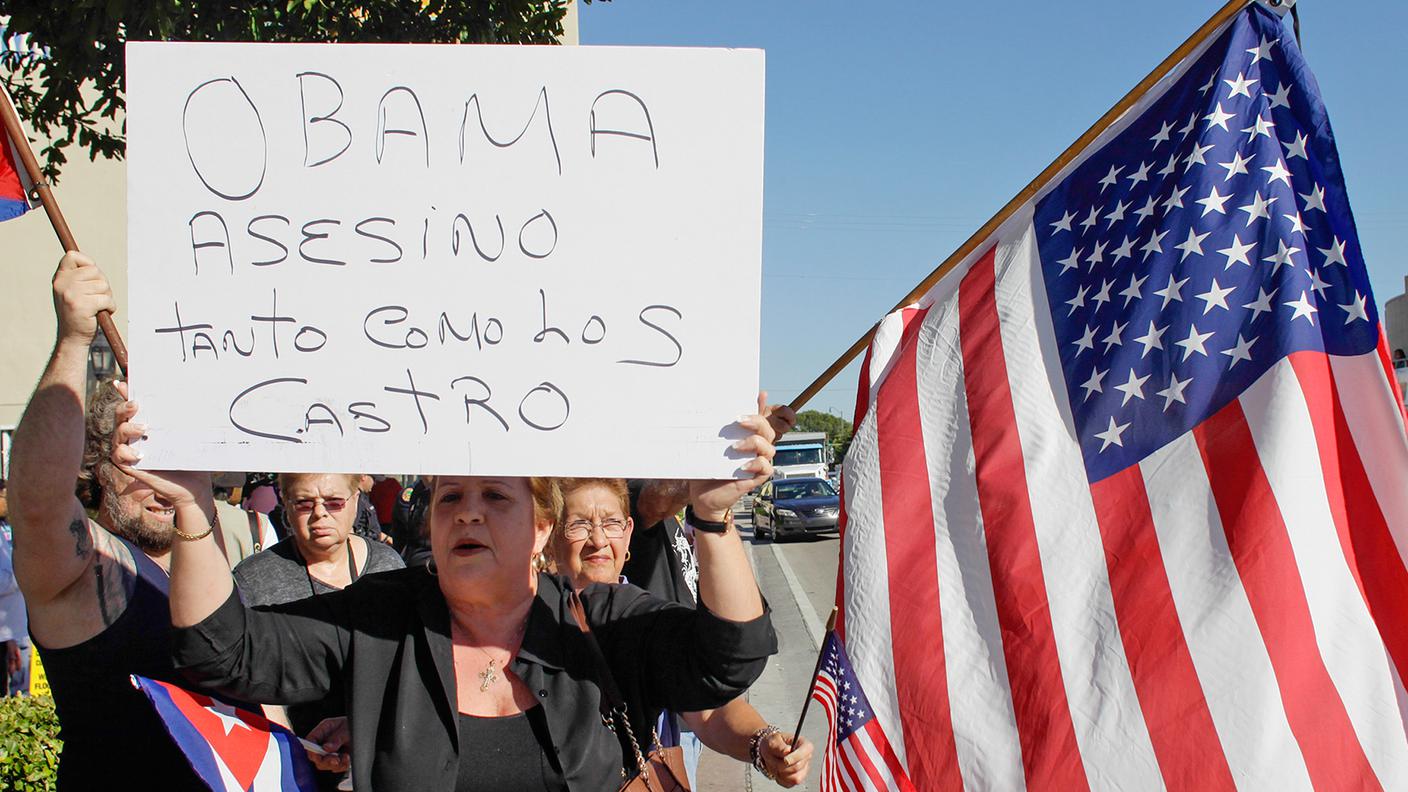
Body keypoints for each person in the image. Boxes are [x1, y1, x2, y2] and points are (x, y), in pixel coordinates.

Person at [115, 396, 781, 791]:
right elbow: (221, 653)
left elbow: (726, 660)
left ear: (542, 525)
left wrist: (714, 519)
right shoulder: (382, 615)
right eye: (450, 497)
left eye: (494, 496)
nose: (467, 513)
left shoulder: (602, 620)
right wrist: (194, 509)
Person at [4, 252, 228, 787]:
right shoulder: (89, 566)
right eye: (139, 462)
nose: (160, 483)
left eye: (175, 463)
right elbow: (37, 506)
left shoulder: (210, 548)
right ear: (99, 468)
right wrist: (74, 342)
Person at [551, 477, 813, 788]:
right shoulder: (525, 619)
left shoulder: (641, 620)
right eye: (578, 524)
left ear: (629, 532)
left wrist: (762, 743)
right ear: (547, 534)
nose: (599, 539)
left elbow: (711, 709)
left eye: (611, 523)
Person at [233, 471, 404, 789]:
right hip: (295, 764)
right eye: (304, 503)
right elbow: (252, 679)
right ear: (285, 503)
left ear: (356, 501)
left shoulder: (388, 566)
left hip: (378, 759)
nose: (320, 515)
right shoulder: (254, 579)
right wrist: (293, 748)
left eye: (334, 502)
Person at [0, 479, 29, 695]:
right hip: (7, 630)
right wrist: (25, 579)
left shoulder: (6, 529)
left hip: (12, 631)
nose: (9, 502)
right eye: (5, 496)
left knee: (20, 692)